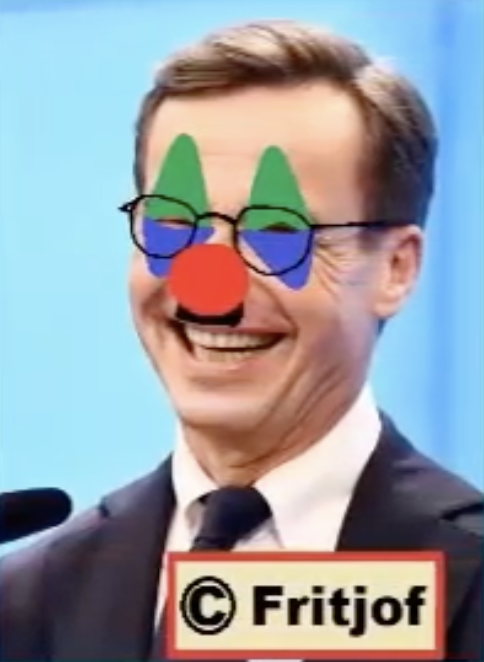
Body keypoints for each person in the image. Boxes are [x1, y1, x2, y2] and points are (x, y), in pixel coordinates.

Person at [0, 19, 482, 662]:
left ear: (395, 268)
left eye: (277, 231)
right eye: (174, 223)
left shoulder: (466, 579)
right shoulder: (29, 601)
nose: (209, 287)